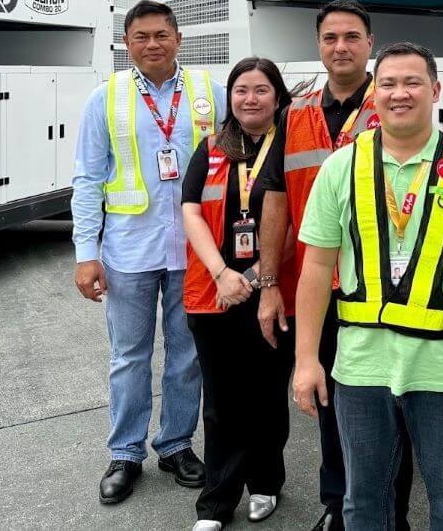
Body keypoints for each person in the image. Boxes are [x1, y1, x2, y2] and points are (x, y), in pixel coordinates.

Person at [292, 43, 443, 531]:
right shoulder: (340, 167)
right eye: (387, 83)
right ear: (374, 94)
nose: (399, 93)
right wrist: (307, 360)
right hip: (360, 367)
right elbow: (315, 267)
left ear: (435, 90)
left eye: (412, 82)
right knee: (364, 505)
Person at [255, 0, 414, 531]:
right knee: (328, 399)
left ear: (370, 43)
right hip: (315, 287)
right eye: (330, 38)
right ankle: (338, 504)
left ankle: (390, 511)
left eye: (351, 37)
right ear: (318, 46)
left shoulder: (392, 103)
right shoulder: (295, 112)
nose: (340, 47)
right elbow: (275, 196)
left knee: (388, 407)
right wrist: (270, 282)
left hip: (384, 290)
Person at [71, 0, 225, 505]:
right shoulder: (105, 98)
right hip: (128, 250)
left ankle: (176, 444)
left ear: (178, 39)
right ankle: (126, 453)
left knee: (186, 357)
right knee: (129, 357)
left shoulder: (209, 93)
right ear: (127, 44)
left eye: (161, 35)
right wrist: (84, 253)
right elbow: (88, 179)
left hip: (197, 253)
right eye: (141, 37)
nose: (152, 44)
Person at [182, 57, 296, 530]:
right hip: (215, 295)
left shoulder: (290, 148)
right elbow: (189, 209)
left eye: (261, 90)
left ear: (278, 96)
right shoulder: (210, 148)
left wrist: (252, 278)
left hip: (272, 293)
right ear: (230, 98)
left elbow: (301, 220)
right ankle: (216, 502)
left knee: (267, 396)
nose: (250, 99)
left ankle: (266, 483)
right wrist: (222, 272)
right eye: (241, 90)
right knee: (222, 402)